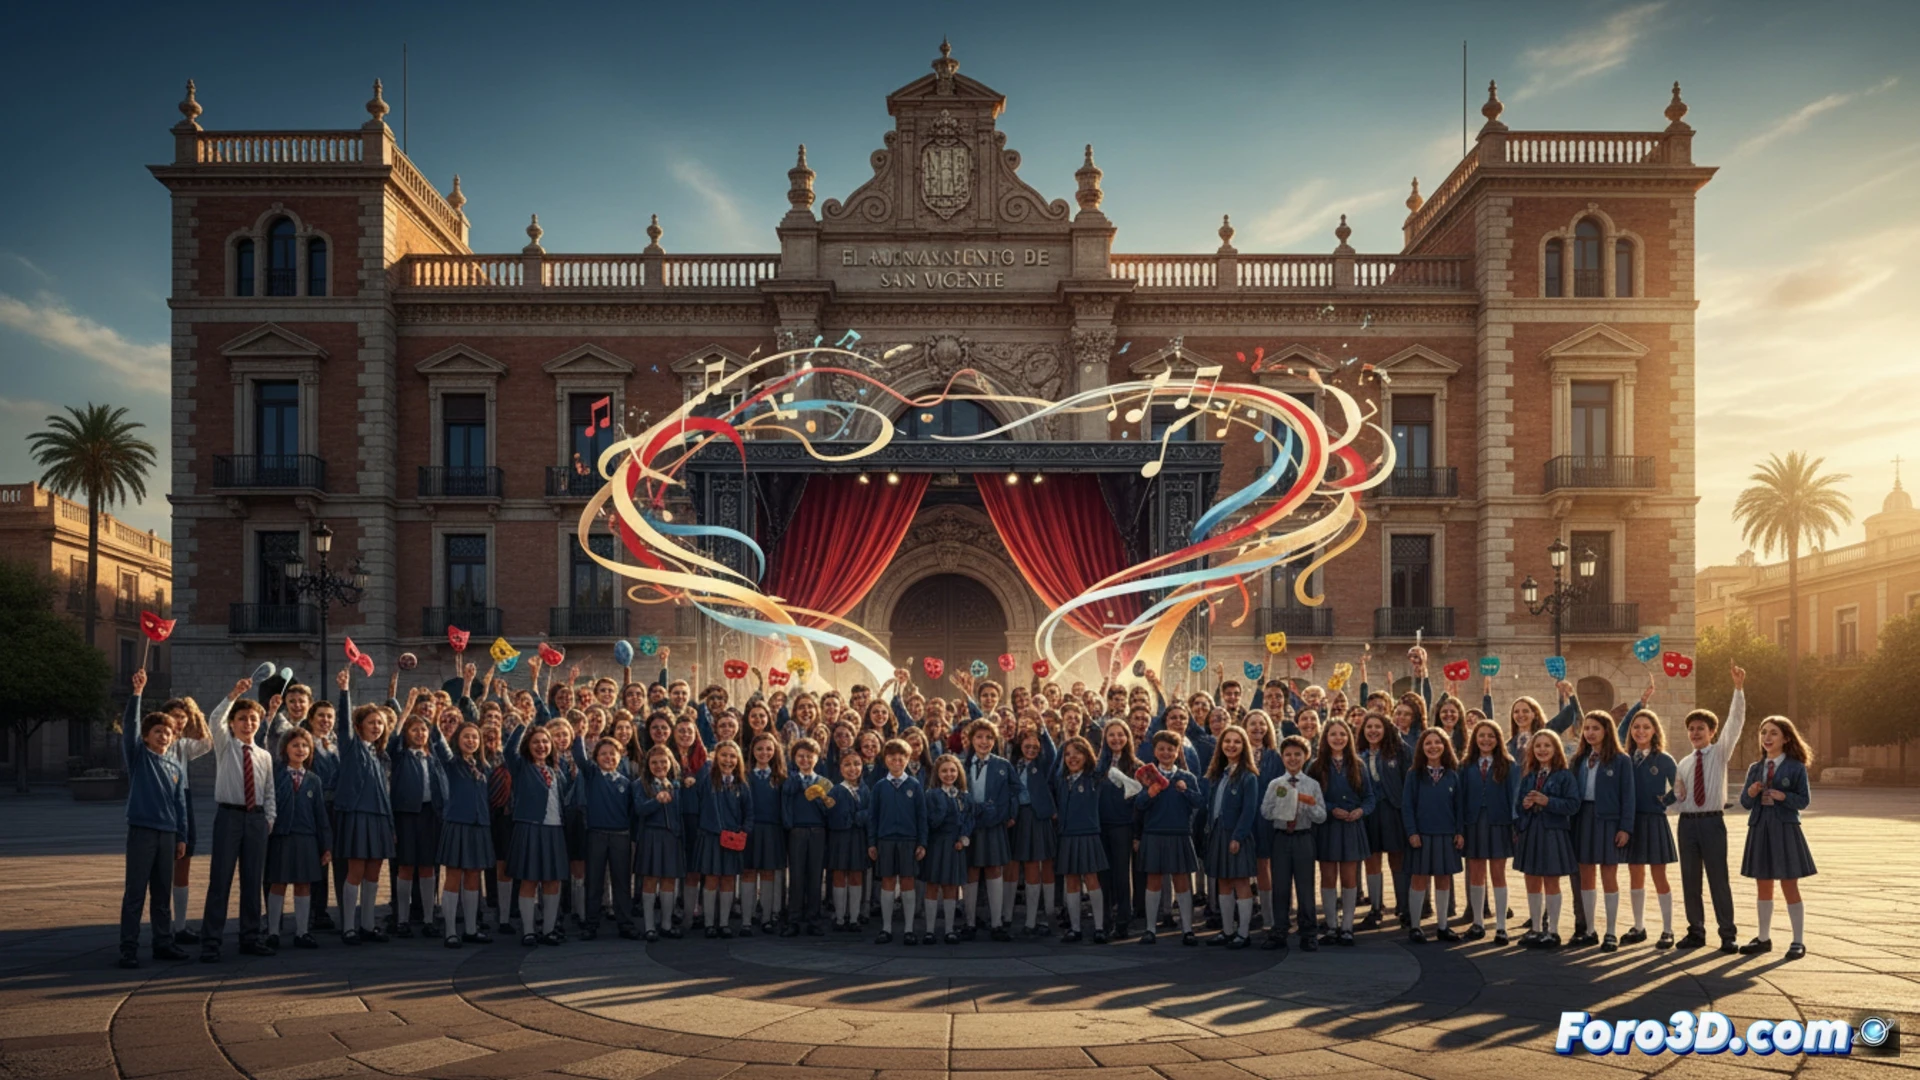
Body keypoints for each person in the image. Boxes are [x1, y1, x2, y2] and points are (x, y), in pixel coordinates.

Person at [118, 669, 191, 969]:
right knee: (135, 892)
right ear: (147, 737)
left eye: (169, 732)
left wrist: (182, 836)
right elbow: (130, 726)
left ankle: (163, 943)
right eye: (158, 731)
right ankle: (128, 948)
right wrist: (137, 694)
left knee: (162, 894)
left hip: (167, 834)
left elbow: (180, 803)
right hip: (142, 832)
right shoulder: (139, 757)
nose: (164, 735)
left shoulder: (174, 764)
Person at [1672, 663, 1747, 953]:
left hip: (1712, 823)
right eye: (1691, 729)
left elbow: (1735, 722)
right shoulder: (1684, 763)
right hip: (1688, 824)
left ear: (1712, 731)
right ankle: (1696, 931)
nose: (1695, 733)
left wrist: (1738, 690)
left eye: (1700, 728)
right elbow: (1679, 797)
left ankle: (1727, 934)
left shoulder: (1719, 753)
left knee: (1718, 879)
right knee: (1690, 880)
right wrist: (1669, 800)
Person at [200, 684, 277, 961]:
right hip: (229, 816)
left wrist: (269, 818)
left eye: (253, 719)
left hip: (255, 819)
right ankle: (211, 940)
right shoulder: (225, 746)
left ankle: (250, 936)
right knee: (220, 879)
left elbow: (269, 791)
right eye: (242, 719)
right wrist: (232, 695)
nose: (248, 724)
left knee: (252, 880)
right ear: (232, 723)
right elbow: (213, 719)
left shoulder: (264, 756)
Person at [1737, 716, 1816, 960]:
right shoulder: (1755, 768)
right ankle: (1763, 938)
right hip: (1760, 828)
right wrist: (1750, 793)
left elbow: (1803, 800)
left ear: (1786, 738)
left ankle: (1798, 940)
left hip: (1785, 828)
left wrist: (1783, 797)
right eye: (1764, 733)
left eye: (1773, 733)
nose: (1767, 738)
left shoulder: (1795, 767)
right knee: (1763, 883)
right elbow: (1745, 803)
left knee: (1789, 883)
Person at [504, 719, 575, 946]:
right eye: (536, 742)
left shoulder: (556, 769)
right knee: (529, 880)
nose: (541, 745)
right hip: (530, 828)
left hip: (554, 830)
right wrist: (522, 724)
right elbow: (508, 750)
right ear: (528, 745)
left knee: (553, 881)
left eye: (545, 741)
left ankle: (548, 929)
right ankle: (528, 930)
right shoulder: (521, 766)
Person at [334, 680, 395, 945]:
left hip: (380, 817)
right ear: (359, 725)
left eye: (379, 723)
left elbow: (385, 794)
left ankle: (368, 925)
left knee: (374, 873)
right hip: (358, 815)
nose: (376, 727)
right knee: (355, 871)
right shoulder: (350, 746)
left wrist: (391, 827)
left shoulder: (381, 756)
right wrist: (345, 691)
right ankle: (349, 926)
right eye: (371, 722)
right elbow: (343, 723)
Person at [1569, 712, 1635, 951]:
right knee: (1586, 875)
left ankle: (1610, 931)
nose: (1590, 733)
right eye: (1586, 728)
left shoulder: (1621, 759)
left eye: (1595, 728)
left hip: (1608, 820)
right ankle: (1589, 930)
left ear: (1606, 730)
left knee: (1609, 875)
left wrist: (1625, 827)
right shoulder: (1578, 760)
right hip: (1582, 818)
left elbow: (1628, 797)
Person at [265, 727, 332, 950]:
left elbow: (320, 814)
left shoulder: (313, 780)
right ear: (285, 748)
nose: (300, 749)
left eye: (305, 745)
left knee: (303, 884)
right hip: (282, 836)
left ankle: (302, 931)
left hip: (306, 838)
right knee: (278, 882)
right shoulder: (276, 775)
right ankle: (273, 930)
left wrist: (326, 845)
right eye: (295, 745)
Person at [431, 719, 496, 947]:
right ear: (458, 740)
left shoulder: (484, 767)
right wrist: (436, 724)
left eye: (475, 737)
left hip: (479, 826)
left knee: (473, 877)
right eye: (466, 736)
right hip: (458, 823)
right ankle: (450, 930)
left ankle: (470, 928)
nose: (471, 741)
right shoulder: (452, 763)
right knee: (453, 876)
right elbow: (439, 745)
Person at [1136, 730, 1205, 946]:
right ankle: (1150, 929)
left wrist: (1186, 792)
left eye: (1171, 749)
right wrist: (1149, 793)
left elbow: (1199, 803)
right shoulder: (1148, 776)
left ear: (1178, 752)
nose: (1166, 753)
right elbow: (1138, 805)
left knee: (1182, 881)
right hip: (1154, 834)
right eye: (1162, 749)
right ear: (1155, 751)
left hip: (1179, 834)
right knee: (1153, 881)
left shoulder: (1187, 777)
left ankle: (1187, 929)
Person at [1310, 718, 1373, 946]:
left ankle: (1347, 927)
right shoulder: (1316, 766)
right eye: (1333, 734)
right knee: (1328, 877)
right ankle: (1331, 926)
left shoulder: (1359, 765)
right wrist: (1329, 809)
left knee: (1349, 877)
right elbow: (1310, 799)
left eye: (1343, 734)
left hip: (1351, 827)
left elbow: (1370, 797)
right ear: (1326, 738)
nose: (1338, 738)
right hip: (1328, 827)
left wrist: (1360, 811)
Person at [154, 694, 211, 944]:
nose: (178, 722)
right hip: (160, 799)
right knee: (160, 865)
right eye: (175, 717)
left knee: (184, 859)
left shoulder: (185, 745)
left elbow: (207, 742)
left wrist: (195, 713)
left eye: (183, 719)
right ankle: (162, 926)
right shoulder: (154, 742)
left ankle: (180, 925)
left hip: (183, 799)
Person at [1513, 730, 1578, 948]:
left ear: (1556, 749)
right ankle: (1536, 929)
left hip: (1553, 833)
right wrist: (1525, 805)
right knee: (1531, 879)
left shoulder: (1564, 776)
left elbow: (1572, 805)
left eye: (1547, 746)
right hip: (1531, 831)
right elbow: (1518, 806)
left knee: (1551, 880)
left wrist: (1547, 801)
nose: (1542, 750)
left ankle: (1553, 930)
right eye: (1538, 746)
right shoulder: (1529, 775)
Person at [1620, 707, 1678, 948]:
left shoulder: (1664, 759)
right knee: (1635, 874)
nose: (1640, 731)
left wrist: (1664, 801)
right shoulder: (1624, 759)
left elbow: (1679, 788)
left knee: (1659, 875)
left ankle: (1667, 929)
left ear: (1655, 730)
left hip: (1654, 821)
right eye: (1636, 727)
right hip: (1632, 822)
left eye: (1646, 727)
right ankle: (1639, 926)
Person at [1259, 735, 1323, 954]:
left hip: (1303, 837)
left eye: (1298, 754)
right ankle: (1279, 930)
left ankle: (1309, 932)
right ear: (1282, 757)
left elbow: (1321, 816)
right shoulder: (1275, 784)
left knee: (1305, 887)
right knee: (1281, 886)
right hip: (1281, 838)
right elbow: (1265, 811)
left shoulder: (1312, 785)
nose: (1293, 759)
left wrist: (1308, 804)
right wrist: (1282, 806)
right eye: (1288, 755)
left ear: (1305, 757)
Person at [571, 735, 637, 941]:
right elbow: (579, 758)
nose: (608, 757)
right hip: (596, 834)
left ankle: (625, 923)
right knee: (594, 880)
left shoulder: (627, 783)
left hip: (620, 836)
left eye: (612, 754)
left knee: (622, 882)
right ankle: (591, 924)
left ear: (621, 756)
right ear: (596, 757)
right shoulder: (592, 774)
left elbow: (632, 812)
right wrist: (579, 735)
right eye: (603, 754)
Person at [1402, 729, 1465, 944]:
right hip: (1422, 835)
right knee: (1419, 879)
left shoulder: (1452, 775)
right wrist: (1412, 832)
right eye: (1428, 743)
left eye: (1438, 742)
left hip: (1446, 835)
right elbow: (1407, 806)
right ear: (1421, 748)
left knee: (1444, 879)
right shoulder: (1414, 774)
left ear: (1445, 746)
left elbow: (1459, 807)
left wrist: (1459, 831)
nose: (1433, 746)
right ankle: (1416, 926)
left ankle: (1442, 925)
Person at [1459, 719, 1518, 943]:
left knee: (1498, 874)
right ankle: (1477, 922)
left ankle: (1501, 925)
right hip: (1473, 823)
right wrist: (1460, 827)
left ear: (1498, 739)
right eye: (1481, 735)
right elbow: (1461, 799)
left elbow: (1514, 796)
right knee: (1475, 873)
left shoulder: (1508, 764)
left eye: (1491, 736)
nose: (1486, 740)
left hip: (1498, 822)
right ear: (1475, 739)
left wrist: (1515, 825)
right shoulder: (1466, 765)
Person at [1202, 726, 1261, 949]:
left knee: (1240, 881)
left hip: (1237, 835)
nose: (1231, 745)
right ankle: (1227, 930)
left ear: (1244, 746)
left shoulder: (1248, 777)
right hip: (1218, 832)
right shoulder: (1218, 774)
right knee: (1223, 881)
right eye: (1227, 741)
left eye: (1237, 741)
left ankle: (1243, 933)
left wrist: (1238, 835)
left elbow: (1249, 810)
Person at [867, 739, 928, 944]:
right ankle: (886, 928)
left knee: (908, 882)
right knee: (888, 882)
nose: (897, 760)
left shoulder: (914, 785)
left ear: (907, 759)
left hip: (909, 841)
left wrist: (922, 842)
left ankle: (909, 928)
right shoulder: (879, 787)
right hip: (885, 840)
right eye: (892, 757)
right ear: (886, 760)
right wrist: (872, 842)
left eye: (901, 757)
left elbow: (922, 817)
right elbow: (873, 817)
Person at [959, 720, 1014, 940]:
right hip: (970, 825)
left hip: (994, 824)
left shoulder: (1003, 765)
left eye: (989, 738)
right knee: (971, 870)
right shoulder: (962, 764)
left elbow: (1016, 790)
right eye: (979, 737)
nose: (984, 742)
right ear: (971, 740)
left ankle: (997, 923)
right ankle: (970, 922)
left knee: (994, 869)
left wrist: (1009, 814)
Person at [1054, 736, 1109, 943]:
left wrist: (1105, 734)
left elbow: (1104, 758)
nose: (1072, 757)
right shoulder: (1061, 779)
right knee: (1071, 880)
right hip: (1067, 835)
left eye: (1077, 752)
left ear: (1087, 755)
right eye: (1067, 754)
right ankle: (1075, 928)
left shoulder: (1093, 777)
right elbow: (1052, 759)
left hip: (1088, 834)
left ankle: (1099, 927)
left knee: (1092, 878)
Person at [695, 739, 752, 938]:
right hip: (711, 837)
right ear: (716, 758)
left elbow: (749, 813)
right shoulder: (707, 781)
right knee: (711, 878)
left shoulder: (741, 786)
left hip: (732, 839)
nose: (728, 760)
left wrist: (744, 830)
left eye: (732, 756)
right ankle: (709, 923)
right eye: (724, 755)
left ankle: (724, 922)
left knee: (728, 879)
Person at [1357, 712, 1409, 930]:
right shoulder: (1358, 753)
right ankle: (1375, 907)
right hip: (1369, 812)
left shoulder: (1399, 751)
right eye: (1369, 727)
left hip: (1392, 810)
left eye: (1378, 726)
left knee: (1397, 858)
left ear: (1386, 729)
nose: (1373, 731)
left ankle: (1404, 907)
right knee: (1372, 859)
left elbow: (1409, 781)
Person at [1094, 719, 1143, 939]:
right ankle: (1104, 920)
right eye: (1111, 735)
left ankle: (1123, 920)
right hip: (1101, 826)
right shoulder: (1098, 767)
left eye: (1120, 734)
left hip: (1123, 827)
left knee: (1122, 876)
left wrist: (1137, 833)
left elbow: (1140, 804)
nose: (1116, 739)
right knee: (1103, 875)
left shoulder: (1136, 766)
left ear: (1127, 737)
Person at [1008, 724, 1058, 937]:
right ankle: (1029, 919)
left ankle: (1049, 914)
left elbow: (1053, 753)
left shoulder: (1043, 764)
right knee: (1028, 865)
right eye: (1027, 745)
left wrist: (1043, 728)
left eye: (1035, 746)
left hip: (1040, 817)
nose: (1031, 749)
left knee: (1046, 864)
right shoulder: (1013, 765)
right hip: (1020, 817)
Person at [921, 753, 975, 943]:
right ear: (937, 773)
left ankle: (949, 929)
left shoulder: (964, 796)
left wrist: (964, 837)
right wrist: (944, 806)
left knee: (952, 886)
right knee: (933, 885)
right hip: (937, 844)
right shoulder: (931, 795)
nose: (949, 774)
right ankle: (929, 930)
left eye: (952, 770)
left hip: (955, 846)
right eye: (944, 771)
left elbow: (969, 819)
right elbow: (930, 822)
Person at [780, 738, 831, 936]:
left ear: (817, 758)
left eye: (810, 756)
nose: (805, 760)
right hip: (797, 831)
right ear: (794, 758)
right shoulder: (790, 781)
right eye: (801, 756)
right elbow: (785, 805)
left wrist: (820, 799)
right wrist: (789, 826)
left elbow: (829, 809)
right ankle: (793, 918)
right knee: (796, 875)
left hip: (818, 831)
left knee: (816, 875)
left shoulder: (824, 782)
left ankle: (814, 918)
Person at [634, 745, 685, 941]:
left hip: (671, 837)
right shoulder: (640, 784)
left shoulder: (676, 785)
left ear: (671, 763)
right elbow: (639, 809)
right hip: (651, 836)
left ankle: (666, 924)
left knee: (669, 880)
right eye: (654, 762)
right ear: (647, 764)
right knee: (650, 880)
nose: (659, 766)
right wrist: (656, 800)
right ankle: (649, 927)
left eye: (664, 761)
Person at [742, 732, 788, 936]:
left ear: (775, 751)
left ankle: (767, 917)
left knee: (769, 873)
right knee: (749, 872)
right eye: (759, 748)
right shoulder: (744, 776)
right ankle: (746, 917)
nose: (764, 752)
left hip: (772, 830)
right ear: (752, 751)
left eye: (769, 749)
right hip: (751, 829)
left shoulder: (780, 778)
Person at [823, 750, 871, 932]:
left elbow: (871, 813)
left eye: (857, 764)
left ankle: (854, 916)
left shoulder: (865, 790)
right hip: (840, 838)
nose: (853, 768)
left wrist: (859, 817)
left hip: (859, 838)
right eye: (847, 764)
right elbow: (833, 817)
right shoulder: (836, 790)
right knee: (839, 874)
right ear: (840, 768)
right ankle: (840, 917)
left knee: (857, 875)